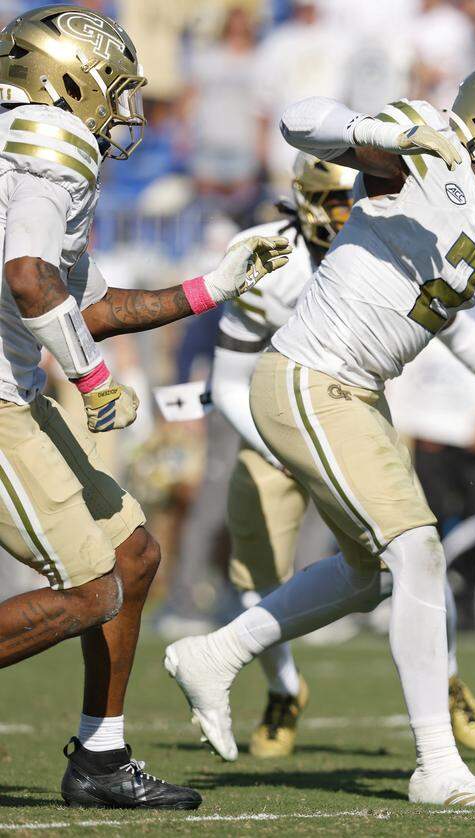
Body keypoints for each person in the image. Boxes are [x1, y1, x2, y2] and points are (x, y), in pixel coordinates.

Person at [163, 60, 475, 808]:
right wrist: (372, 129)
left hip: (358, 394)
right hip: (307, 376)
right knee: (418, 549)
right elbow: (299, 119)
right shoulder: (427, 152)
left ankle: (217, 651)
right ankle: (437, 765)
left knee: (371, 575)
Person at [0, 5, 291, 809]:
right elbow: (30, 277)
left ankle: (100, 757)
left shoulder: (27, 152)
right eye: (111, 86)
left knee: (131, 556)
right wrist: (93, 381)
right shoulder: (43, 145)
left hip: (16, 390)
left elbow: (81, 300)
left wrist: (212, 286)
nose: (123, 106)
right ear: (65, 79)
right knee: (93, 588)